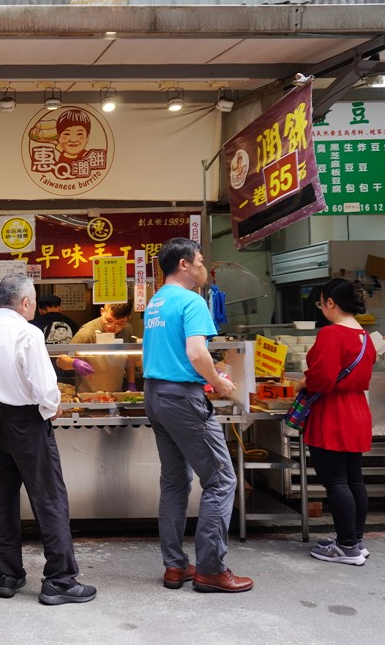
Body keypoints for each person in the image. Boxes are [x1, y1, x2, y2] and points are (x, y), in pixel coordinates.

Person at [0, 273, 97, 606]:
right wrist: (50, 409)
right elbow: (45, 386)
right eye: (34, 301)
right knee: (50, 498)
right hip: (27, 421)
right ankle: (60, 580)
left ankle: (8, 575)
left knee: (2, 501)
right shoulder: (28, 333)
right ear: (25, 302)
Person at [142, 238, 252, 593]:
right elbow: (195, 353)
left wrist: (208, 372)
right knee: (221, 480)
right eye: (201, 261)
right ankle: (210, 570)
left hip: (155, 394)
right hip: (183, 399)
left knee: (174, 481)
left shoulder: (156, 302)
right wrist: (218, 381)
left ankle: (175, 566)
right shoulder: (191, 301)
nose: (204, 268)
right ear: (185, 265)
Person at [298, 278, 376, 566]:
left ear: (331, 302)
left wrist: (302, 385)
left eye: (322, 303)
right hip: (357, 409)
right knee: (354, 478)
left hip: (333, 413)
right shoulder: (365, 336)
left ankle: (346, 547)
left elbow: (322, 379)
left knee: (336, 481)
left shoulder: (332, 334)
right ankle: (354, 539)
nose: (322, 308)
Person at [55, 302, 138, 394]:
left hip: (116, 394)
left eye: (120, 323)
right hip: (87, 396)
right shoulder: (87, 332)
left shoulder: (127, 330)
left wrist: (131, 383)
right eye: (109, 320)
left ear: (128, 318)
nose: (112, 327)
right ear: (102, 311)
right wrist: (74, 363)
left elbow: (130, 358)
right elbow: (60, 361)